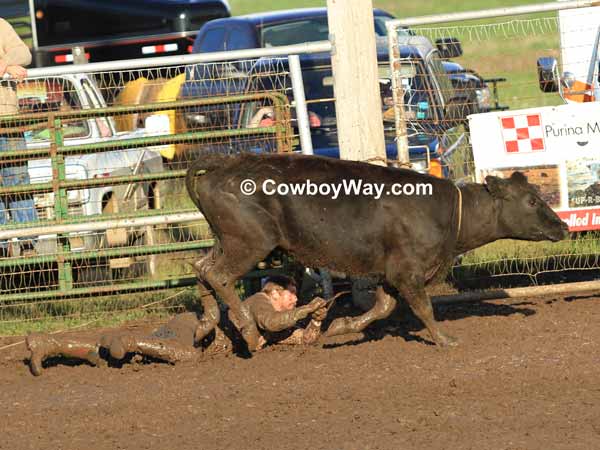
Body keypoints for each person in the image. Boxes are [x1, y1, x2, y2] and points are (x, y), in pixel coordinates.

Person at [25, 276, 328, 376]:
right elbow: (272, 322)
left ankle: (49, 344)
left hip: (192, 332)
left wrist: (315, 319)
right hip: (194, 331)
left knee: (106, 358)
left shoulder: (280, 317)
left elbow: (303, 340)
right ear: (275, 292)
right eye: (292, 296)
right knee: (187, 357)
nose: (295, 300)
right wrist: (305, 310)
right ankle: (128, 341)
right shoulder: (260, 302)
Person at [0, 18, 38, 255]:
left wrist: (3, 65)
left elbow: (24, 54)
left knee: (19, 183)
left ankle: (28, 246)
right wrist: (5, 67)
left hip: (8, 121)